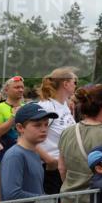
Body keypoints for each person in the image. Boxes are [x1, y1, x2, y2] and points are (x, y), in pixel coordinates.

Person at [0, 103, 58, 203]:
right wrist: (47, 202)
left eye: (46, 124)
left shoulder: (34, 153)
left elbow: (34, 189)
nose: (43, 129)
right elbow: (12, 194)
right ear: (20, 128)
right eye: (37, 125)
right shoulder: (15, 156)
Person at [36, 67, 78, 195]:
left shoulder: (64, 104)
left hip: (64, 167)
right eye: (74, 82)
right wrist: (49, 160)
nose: (76, 86)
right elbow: (28, 136)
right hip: (50, 169)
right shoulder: (47, 106)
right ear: (65, 84)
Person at [0, 76, 26, 164]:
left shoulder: (27, 107)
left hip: (25, 153)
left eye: (22, 87)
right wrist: (13, 116)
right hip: (5, 155)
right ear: (6, 90)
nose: (21, 90)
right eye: (17, 87)